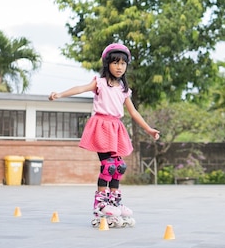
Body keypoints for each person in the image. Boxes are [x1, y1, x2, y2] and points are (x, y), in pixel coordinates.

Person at [49, 43, 160, 227]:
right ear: (107, 63)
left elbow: (133, 112)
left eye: (123, 64)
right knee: (108, 165)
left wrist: (148, 129)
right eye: (116, 63)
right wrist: (59, 94)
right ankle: (100, 203)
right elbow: (80, 88)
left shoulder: (124, 90)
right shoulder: (99, 83)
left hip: (116, 128)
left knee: (119, 166)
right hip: (101, 126)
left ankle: (114, 201)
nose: (119, 67)